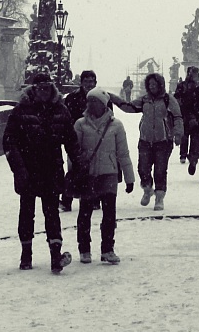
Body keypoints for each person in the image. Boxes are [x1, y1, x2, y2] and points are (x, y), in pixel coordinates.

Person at [2, 71, 78, 273]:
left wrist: (77, 165)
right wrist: (19, 168)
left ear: (51, 88)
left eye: (47, 88)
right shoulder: (21, 110)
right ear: (33, 90)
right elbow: (9, 141)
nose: (44, 92)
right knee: (27, 212)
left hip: (52, 169)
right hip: (28, 169)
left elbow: (71, 141)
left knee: (51, 213)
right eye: (40, 88)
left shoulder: (60, 110)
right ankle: (26, 254)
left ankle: (55, 255)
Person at [73, 88, 136, 265]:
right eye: (89, 101)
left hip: (109, 173)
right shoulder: (80, 124)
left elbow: (123, 153)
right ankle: (84, 249)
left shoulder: (116, 126)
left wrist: (129, 178)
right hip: (88, 174)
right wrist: (74, 172)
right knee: (85, 213)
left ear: (103, 104)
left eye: (95, 101)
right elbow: (74, 152)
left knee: (109, 214)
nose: (91, 104)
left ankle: (107, 249)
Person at [110, 72, 182, 211]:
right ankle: (147, 189)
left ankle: (159, 197)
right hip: (145, 140)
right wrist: (113, 98)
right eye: (150, 84)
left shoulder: (168, 99)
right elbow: (128, 107)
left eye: (155, 84)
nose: (152, 87)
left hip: (163, 141)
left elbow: (177, 117)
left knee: (160, 170)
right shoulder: (144, 100)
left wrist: (178, 133)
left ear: (160, 85)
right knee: (143, 168)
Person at [60, 70, 104, 212]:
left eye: (91, 81)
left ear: (95, 83)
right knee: (74, 169)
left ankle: (93, 199)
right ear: (81, 82)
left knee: (94, 170)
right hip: (75, 138)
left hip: (95, 138)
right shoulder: (72, 98)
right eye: (86, 81)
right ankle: (67, 199)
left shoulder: (102, 98)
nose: (89, 84)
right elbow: (65, 118)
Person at [174, 67, 199, 165]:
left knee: (193, 136)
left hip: (194, 113)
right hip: (185, 112)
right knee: (185, 135)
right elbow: (176, 98)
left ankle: (190, 154)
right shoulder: (183, 85)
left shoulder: (198, 86)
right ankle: (184, 154)